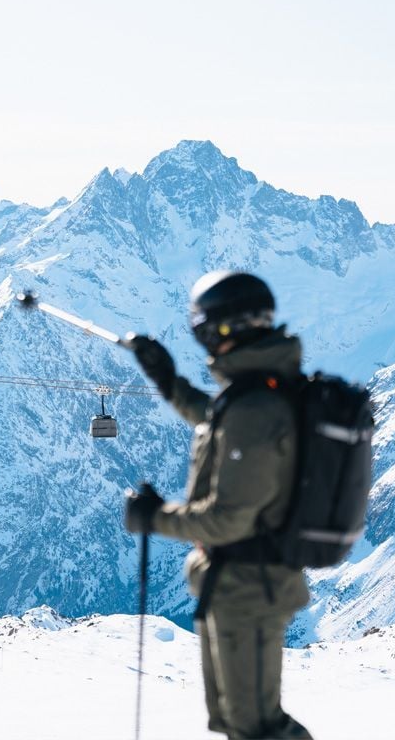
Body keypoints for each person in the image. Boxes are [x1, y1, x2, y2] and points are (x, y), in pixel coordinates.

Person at [124, 270, 312, 740]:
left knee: (256, 727)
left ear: (221, 330)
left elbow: (228, 519)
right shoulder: (259, 392)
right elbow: (215, 421)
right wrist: (167, 381)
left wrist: (153, 518)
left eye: (203, 331)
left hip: (249, 588)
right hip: (240, 584)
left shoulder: (256, 405)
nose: (203, 343)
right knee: (235, 722)